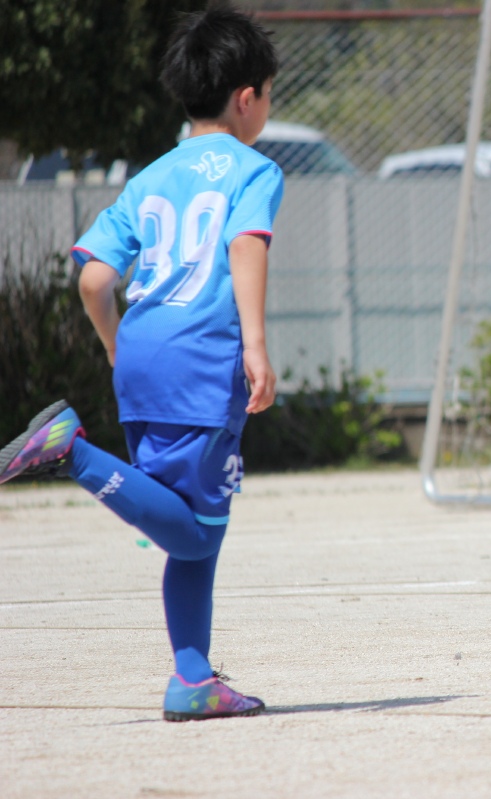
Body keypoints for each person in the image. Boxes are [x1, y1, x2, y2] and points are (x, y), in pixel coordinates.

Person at [0, 7, 283, 721]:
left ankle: (193, 678)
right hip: (202, 359)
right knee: (199, 531)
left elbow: (95, 278)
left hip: (142, 352)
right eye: (268, 96)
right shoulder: (255, 169)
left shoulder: (150, 176)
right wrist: (254, 345)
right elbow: (246, 245)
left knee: (187, 533)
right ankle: (72, 451)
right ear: (246, 97)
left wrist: (115, 347)